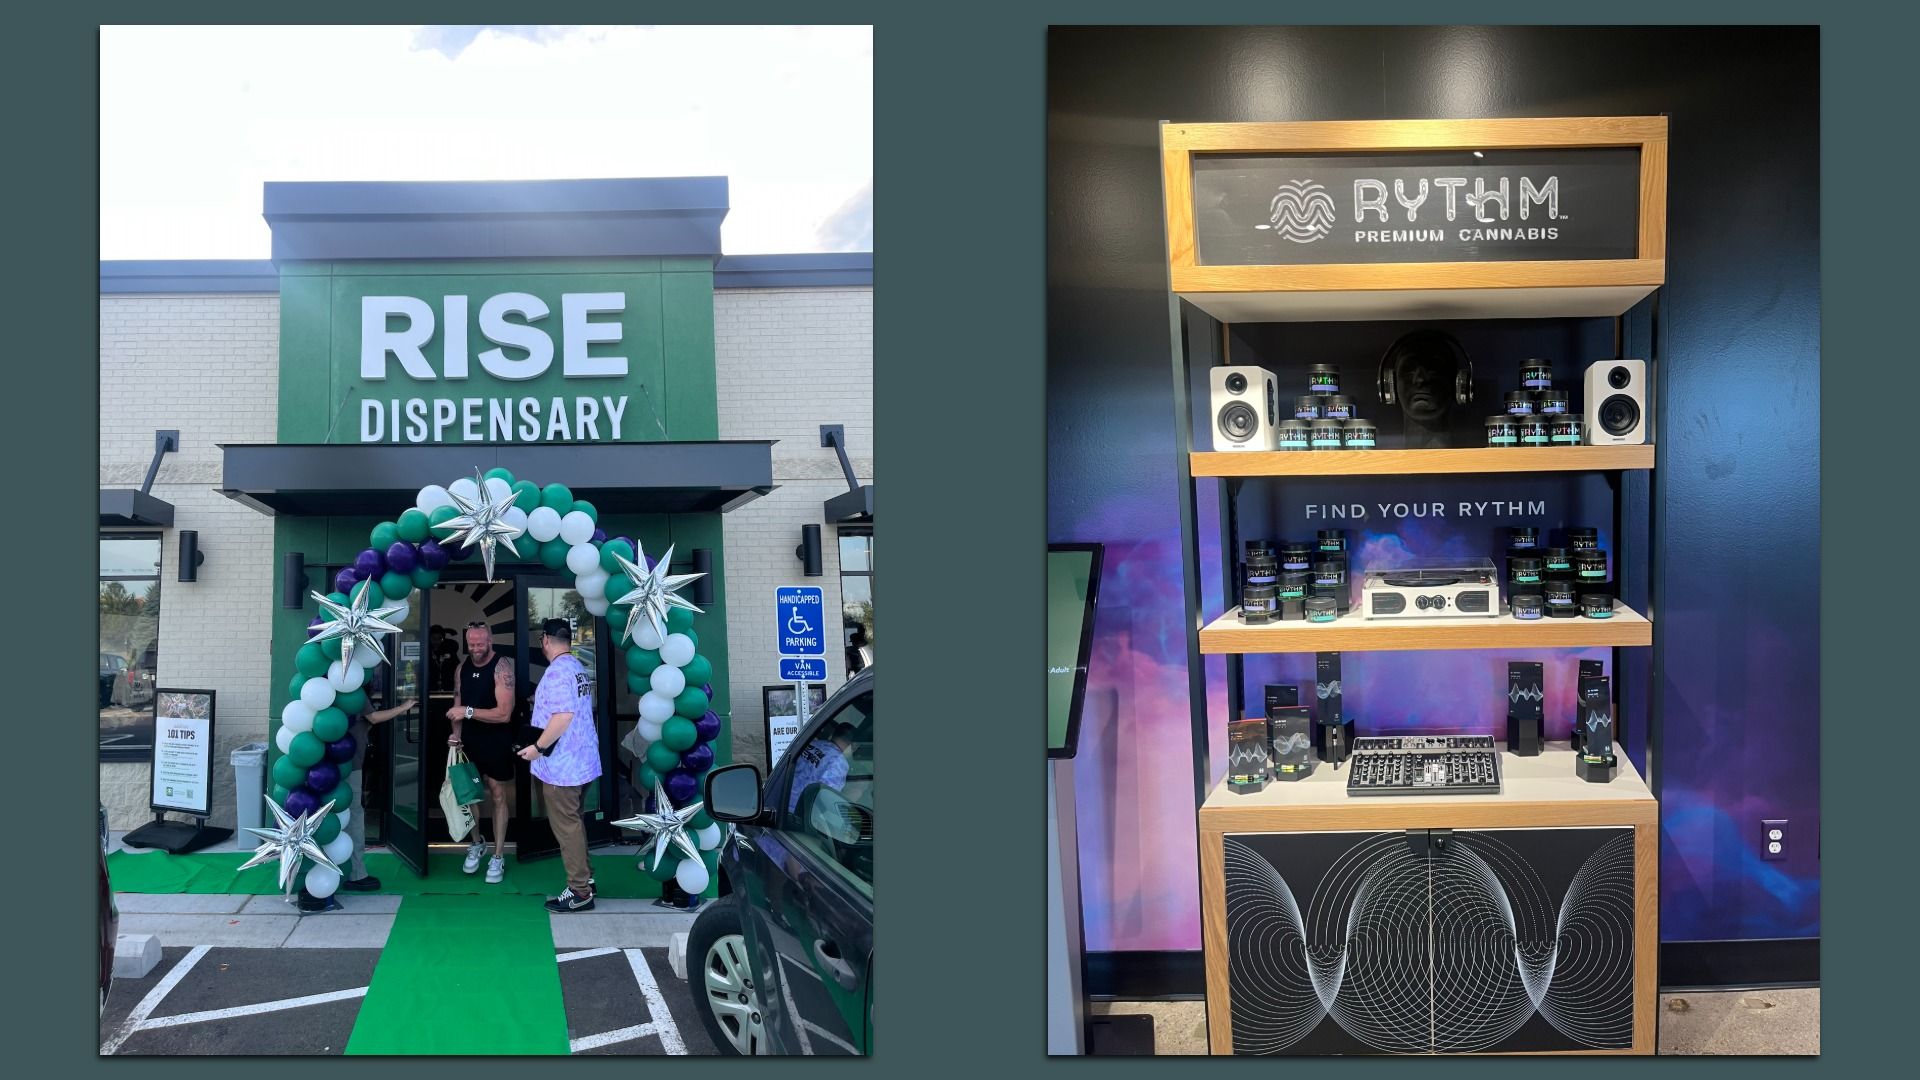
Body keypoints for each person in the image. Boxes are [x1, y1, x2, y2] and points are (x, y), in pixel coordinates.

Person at [296, 697, 416, 913]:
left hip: (320, 767)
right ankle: (357, 873)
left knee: (328, 817)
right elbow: (374, 717)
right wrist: (403, 707)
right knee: (353, 816)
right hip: (346, 766)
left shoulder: (328, 694)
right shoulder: (352, 693)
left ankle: (327, 871)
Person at [518, 618, 601, 913]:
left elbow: (562, 716)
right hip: (583, 759)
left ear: (545, 639)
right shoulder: (577, 668)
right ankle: (586, 880)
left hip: (562, 766)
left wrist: (538, 748)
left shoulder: (556, 673)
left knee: (566, 827)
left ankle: (579, 892)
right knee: (574, 823)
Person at [449, 620, 516, 884]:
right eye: (471, 644)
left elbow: (504, 713)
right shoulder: (462, 667)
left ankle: (498, 855)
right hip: (470, 741)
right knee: (471, 796)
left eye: (480, 643)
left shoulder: (502, 667)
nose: (475, 648)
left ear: (489, 642)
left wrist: (467, 712)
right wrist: (456, 734)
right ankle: (477, 843)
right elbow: (457, 703)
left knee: (498, 794)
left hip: (496, 739)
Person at [787, 721, 855, 813]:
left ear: (834, 733)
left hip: (782, 799)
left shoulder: (812, 744)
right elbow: (826, 798)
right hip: (798, 813)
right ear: (852, 744)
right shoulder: (839, 762)